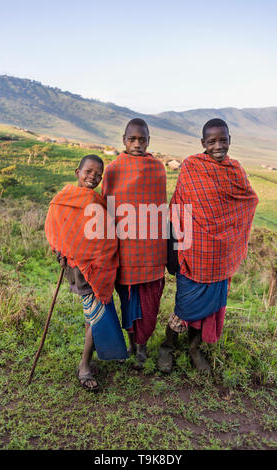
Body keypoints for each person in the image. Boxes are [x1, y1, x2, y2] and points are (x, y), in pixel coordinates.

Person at [157, 118, 259, 374]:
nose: (218, 145)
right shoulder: (192, 166)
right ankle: (167, 347)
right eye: (212, 141)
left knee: (209, 309)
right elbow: (178, 207)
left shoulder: (235, 170)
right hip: (192, 252)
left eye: (223, 140)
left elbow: (249, 200)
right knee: (185, 305)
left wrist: (230, 233)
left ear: (230, 140)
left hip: (219, 257)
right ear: (203, 143)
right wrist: (174, 249)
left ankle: (194, 349)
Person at [45, 154, 128, 391]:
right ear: (77, 172)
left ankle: (104, 352)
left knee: (92, 314)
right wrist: (59, 250)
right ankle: (84, 366)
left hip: (99, 268)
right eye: (88, 172)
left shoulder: (98, 201)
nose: (93, 177)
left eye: (98, 174)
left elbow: (105, 235)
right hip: (79, 270)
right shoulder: (62, 200)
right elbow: (55, 229)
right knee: (94, 315)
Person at [102, 119, 167, 368]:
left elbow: (160, 210)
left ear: (149, 141)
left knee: (150, 302)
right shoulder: (113, 170)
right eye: (133, 139)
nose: (137, 143)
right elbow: (107, 211)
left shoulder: (157, 169)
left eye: (142, 139)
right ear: (124, 140)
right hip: (125, 251)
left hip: (151, 253)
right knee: (128, 301)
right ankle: (131, 344)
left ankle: (143, 346)